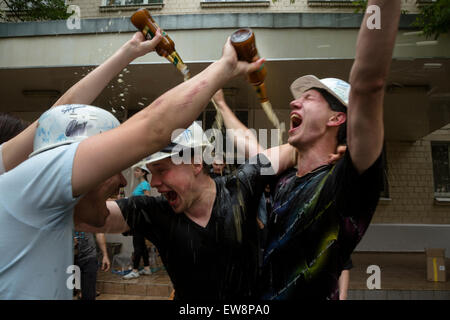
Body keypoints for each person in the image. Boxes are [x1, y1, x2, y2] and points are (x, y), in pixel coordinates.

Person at [1, 30, 261, 299]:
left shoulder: (12, 182)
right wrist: (224, 66)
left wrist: (127, 53)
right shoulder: (35, 182)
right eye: (111, 165)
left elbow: (56, 116)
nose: (126, 181)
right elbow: (153, 127)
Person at [213, 0, 400, 300]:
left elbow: (369, 82)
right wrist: (221, 103)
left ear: (337, 118)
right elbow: (251, 147)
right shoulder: (285, 176)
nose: (293, 103)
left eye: (309, 98)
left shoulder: (346, 181)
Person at [124, 164, 152, 279]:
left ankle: (135, 270)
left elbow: (148, 201)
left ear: (144, 173)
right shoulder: (141, 185)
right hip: (137, 217)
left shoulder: (145, 184)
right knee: (142, 244)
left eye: (137, 170)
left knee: (137, 244)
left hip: (140, 219)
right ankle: (147, 268)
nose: (135, 172)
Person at [74, 232, 110, 300]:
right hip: (68, 259)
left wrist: (105, 255)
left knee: (89, 294)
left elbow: (99, 232)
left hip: (89, 257)